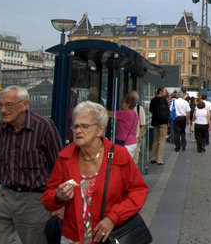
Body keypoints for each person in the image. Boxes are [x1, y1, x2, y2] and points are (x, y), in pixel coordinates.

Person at [42, 101, 148, 244]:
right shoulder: (65, 158)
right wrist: (57, 197)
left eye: (84, 126)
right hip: (73, 238)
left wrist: (113, 218)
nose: (78, 130)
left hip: (109, 237)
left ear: (100, 129)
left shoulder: (119, 155)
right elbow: (48, 197)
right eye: (75, 126)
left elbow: (139, 191)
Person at [0, 85, 63, 244]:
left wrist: (59, 205)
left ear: (24, 104)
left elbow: (59, 167)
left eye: (8, 105)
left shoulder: (44, 127)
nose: (3, 110)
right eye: (0, 105)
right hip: (5, 196)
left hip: (35, 199)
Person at [107, 93, 139, 158]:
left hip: (125, 143)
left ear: (128, 104)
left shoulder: (124, 113)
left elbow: (109, 114)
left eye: (123, 101)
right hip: (132, 142)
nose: (121, 103)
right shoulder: (135, 114)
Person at [149, 87, 170, 165]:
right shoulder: (163, 100)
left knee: (155, 140)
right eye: (164, 91)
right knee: (161, 141)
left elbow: (151, 110)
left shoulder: (153, 100)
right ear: (160, 92)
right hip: (163, 122)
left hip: (155, 122)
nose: (165, 93)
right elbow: (167, 111)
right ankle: (159, 159)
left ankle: (153, 158)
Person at [128, 91, 146, 164]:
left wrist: (139, 137)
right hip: (125, 139)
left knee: (135, 160)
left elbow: (142, 124)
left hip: (135, 138)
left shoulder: (139, 109)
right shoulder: (124, 109)